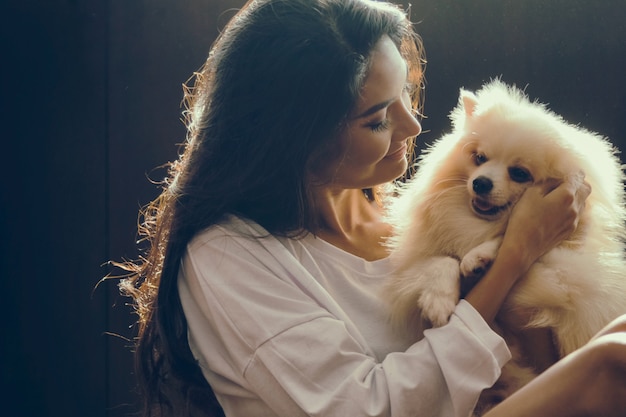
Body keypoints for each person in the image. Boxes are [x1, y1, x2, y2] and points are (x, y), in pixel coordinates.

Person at [116, 0, 626, 416]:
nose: (413, 127)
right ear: (296, 138)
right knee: (611, 363)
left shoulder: (409, 214)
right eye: (378, 119)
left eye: (406, 93)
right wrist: (515, 255)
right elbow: (363, 408)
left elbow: (538, 351)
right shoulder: (228, 257)